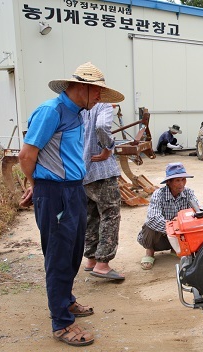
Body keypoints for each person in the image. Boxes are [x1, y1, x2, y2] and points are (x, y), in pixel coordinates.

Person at [18, 62, 124, 347]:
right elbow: (26, 155)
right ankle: (61, 323)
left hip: (74, 189)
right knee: (59, 255)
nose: (100, 98)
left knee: (74, 250)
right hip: (55, 193)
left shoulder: (76, 113)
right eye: (98, 92)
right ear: (82, 88)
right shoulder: (51, 111)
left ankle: (66, 301)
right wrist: (37, 186)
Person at [81, 103, 124, 281]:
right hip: (102, 171)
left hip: (83, 170)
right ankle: (102, 264)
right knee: (110, 214)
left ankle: (91, 259)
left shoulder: (81, 108)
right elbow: (101, 126)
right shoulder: (104, 106)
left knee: (92, 215)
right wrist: (108, 147)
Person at [137, 162, 199, 270]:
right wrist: (173, 226)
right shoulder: (158, 194)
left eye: (183, 179)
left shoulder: (189, 193)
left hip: (178, 235)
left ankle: (177, 249)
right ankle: (150, 251)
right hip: (160, 236)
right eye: (177, 180)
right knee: (149, 224)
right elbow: (153, 218)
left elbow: (196, 212)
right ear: (168, 182)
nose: (181, 184)